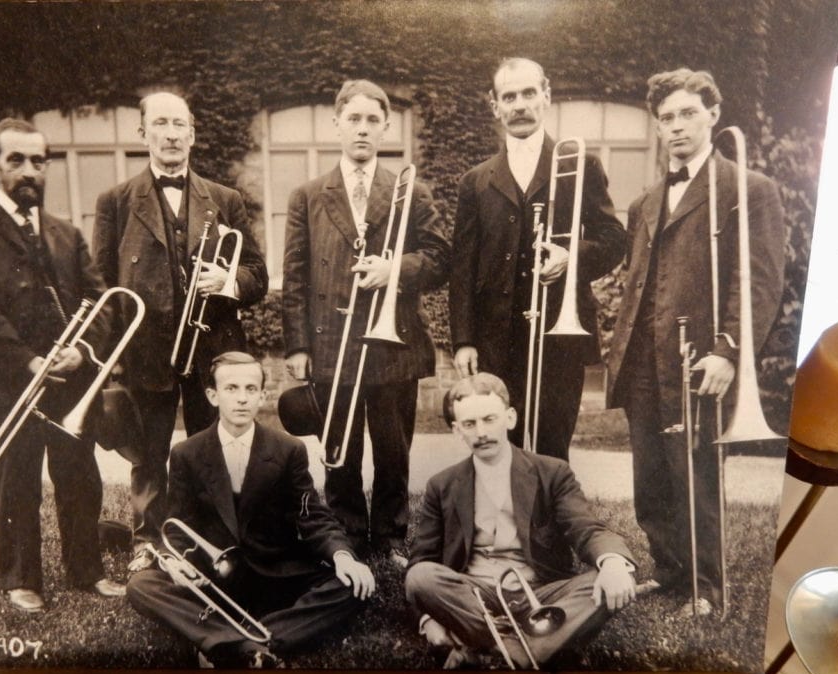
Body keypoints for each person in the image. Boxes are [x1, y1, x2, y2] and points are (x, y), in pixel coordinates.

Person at [606, 69, 784, 616]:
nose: (677, 126)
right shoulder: (645, 202)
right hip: (642, 358)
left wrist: (729, 351)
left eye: (688, 113)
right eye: (666, 118)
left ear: (712, 114)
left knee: (696, 476)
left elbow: (758, 283)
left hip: (699, 358)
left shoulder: (749, 189)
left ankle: (707, 588)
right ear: (657, 128)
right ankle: (672, 573)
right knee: (651, 478)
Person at [0, 118, 125, 612]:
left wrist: (80, 351)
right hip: (7, 380)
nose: (29, 172)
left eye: (38, 162)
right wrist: (27, 361)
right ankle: (21, 579)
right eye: (16, 160)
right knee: (16, 482)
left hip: (67, 380)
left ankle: (86, 570)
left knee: (80, 478)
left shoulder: (66, 233)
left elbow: (99, 299)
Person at [92, 91, 268, 572]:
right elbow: (101, 285)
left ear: (192, 133)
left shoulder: (225, 199)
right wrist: (111, 358)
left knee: (210, 449)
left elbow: (258, 274)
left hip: (211, 349)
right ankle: (147, 541)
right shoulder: (115, 201)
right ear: (143, 133)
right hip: (145, 350)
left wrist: (229, 282)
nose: (171, 134)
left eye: (180, 125)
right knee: (149, 454)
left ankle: (212, 536)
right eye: (161, 124)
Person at [282, 79, 449, 561]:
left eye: (372, 120)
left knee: (394, 452)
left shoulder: (411, 189)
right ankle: (348, 533)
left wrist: (394, 270)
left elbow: (439, 257)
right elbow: (294, 273)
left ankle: (392, 536)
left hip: (394, 345)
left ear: (386, 128)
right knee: (340, 452)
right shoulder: (308, 195)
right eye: (352, 119)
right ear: (336, 125)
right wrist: (297, 346)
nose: (362, 129)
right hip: (332, 344)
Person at [127, 352, 374, 668]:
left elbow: (312, 514)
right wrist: (179, 563)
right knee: (141, 586)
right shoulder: (186, 453)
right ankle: (252, 646)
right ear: (212, 396)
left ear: (262, 396)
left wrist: (342, 556)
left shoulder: (289, 449)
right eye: (231, 389)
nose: (242, 399)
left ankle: (233, 642)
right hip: (214, 578)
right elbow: (177, 525)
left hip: (276, 572)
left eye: (250, 389)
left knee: (352, 586)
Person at [450, 57, 625, 459]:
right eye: (508, 96)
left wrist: (571, 256)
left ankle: (547, 522)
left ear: (546, 96)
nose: (519, 104)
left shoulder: (579, 163)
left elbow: (614, 239)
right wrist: (463, 340)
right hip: (495, 339)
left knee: (550, 448)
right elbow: (462, 267)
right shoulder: (475, 181)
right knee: (496, 447)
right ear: (495, 106)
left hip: (559, 336)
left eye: (529, 93)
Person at [405, 372, 637, 669]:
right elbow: (420, 561)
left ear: (510, 418)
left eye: (490, 419)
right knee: (420, 577)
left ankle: (494, 652)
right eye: (469, 424)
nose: (481, 433)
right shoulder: (442, 484)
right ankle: (536, 646)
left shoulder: (552, 472)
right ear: (456, 430)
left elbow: (586, 527)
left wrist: (613, 562)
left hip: (541, 590)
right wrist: (428, 621)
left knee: (606, 579)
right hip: (474, 596)